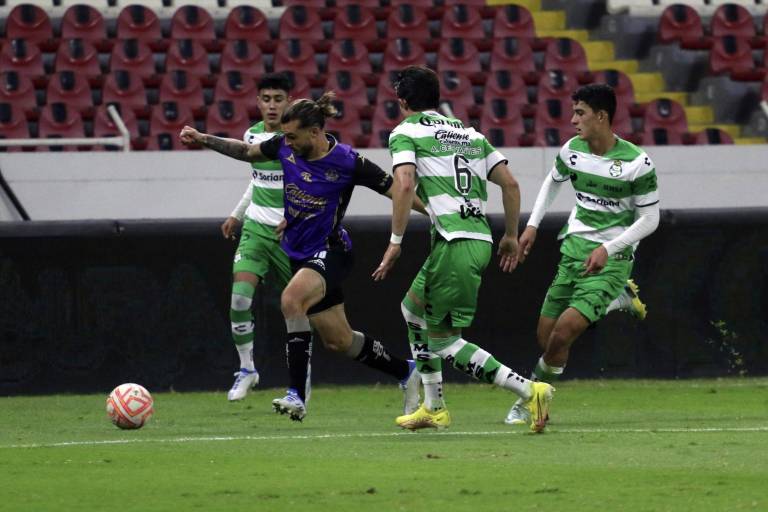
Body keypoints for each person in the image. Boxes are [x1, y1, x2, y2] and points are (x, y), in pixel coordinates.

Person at [181, 92, 421, 422]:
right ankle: (406, 372)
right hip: (299, 252)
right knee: (339, 341)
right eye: (286, 136)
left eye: (293, 136)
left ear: (315, 132)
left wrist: (437, 216)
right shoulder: (282, 146)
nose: (287, 142)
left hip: (332, 250)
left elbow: (399, 191)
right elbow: (247, 151)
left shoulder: (348, 161)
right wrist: (204, 138)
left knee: (291, 299)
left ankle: (296, 394)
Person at [373, 65, 554, 433]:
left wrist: (395, 242)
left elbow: (404, 185)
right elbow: (511, 184)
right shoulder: (471, 135)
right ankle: (433, 405)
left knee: (444, 341)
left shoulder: (405, 132)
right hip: (475, 238)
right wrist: (510, 235)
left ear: (402, 101)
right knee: (411, 310)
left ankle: (529, 390)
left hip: (455, 244)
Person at [503, 83, 660, 426]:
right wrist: (532, 225)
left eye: (580, 113)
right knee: (548, 340)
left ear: (601, 117)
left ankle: (529, 400)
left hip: (611, 259)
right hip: (573, 251)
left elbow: (651, 218)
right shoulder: (572, 150)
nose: (573, 120)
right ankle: (617, 300)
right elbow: (553, 181)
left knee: (563, 334)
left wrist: (610, 247)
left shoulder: (636, 163)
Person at [199, 72, 302, 402]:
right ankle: (247, 369)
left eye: (278, 99)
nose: (272, 106)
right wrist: (237, 214)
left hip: (289, 234)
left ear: (289, 101)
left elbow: (308, 185)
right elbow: (256, 179)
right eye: (266, 99)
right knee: (240, 299)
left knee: (305, 314)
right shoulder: (252, 135)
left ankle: (299, 385)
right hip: (256, 228)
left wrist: (294, 215)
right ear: (258, 102)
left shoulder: (299, 139)